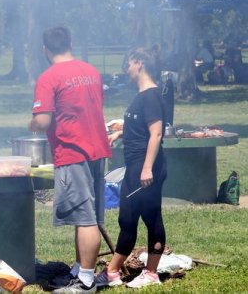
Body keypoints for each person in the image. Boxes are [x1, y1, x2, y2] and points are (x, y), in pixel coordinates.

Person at [29, 26, 111, 293]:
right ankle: (78, 269)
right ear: (70, 44)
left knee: (85, 217)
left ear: (45, 49)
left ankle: (86, 280)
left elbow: (43, 121)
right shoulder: (91, 72)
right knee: (85, 215)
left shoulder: (49, 77)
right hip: (97, 149)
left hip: (73, 152)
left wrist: (32, 123)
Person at [96, 48, 167, 289]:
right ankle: (113, 272)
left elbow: (156, 134)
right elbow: (140, 126)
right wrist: (119, 132)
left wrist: (147, 169)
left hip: (146, 168)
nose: (126, 70)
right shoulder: (142, 95)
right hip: (135, 165)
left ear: (139, 63)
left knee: (150, 217)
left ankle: (150, 273)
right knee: (127, 218)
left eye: (127, 65)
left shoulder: (151, 95)